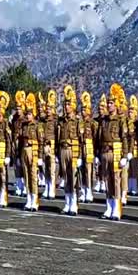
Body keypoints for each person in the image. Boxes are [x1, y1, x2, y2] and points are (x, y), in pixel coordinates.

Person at [96, 84, 129, 221]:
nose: (109, 105)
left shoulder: (121, 120)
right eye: (108, 103)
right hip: (104, 153)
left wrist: (125, 156)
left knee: (116, 180)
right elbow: (98, 138)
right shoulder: (103, 121)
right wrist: (98, 154)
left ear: (116, 105)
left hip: (115, 153)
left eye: (111, 103)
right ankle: (109, 207)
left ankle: (116, 207)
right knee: (106, 179)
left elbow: (124, 138)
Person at [57, 85, 83, 216]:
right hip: (63, 150)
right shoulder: (61, 121)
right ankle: (67, 202)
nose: (66, 107)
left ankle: (74, 203)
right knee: (65, 177)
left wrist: (80, 157)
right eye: (65, 104)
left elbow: (82, 140)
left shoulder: (78, 121)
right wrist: (57, 153)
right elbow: (57, 138)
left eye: (68, 104)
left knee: (73, 178)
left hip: (73, 151)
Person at [18, 93, 44, 211]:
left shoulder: (37, 126)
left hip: (33, 151)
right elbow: (20, 140)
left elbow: (41, 142)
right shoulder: (23, 125)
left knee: (33, 176)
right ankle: (29, 198)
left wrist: (40, 157)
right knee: (26, 175)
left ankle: (34, 200)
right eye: (26, 114)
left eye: (29, 114)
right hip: (24, 150)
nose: (27, 116)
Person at [40, 90, 58, 200]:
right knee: (45, 168)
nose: (48, 110)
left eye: (50, 108)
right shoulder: (43, 121)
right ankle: (46, 187)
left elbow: (58, 134)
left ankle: (52, 189)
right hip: (44, 146)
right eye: (47, 108)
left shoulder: (55, 121)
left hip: (52, 146)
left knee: (52, 169)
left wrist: (56, 151)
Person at [79, 92, 96, 203]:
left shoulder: (93, 123)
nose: (83, 111)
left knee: (89, 171)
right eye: (82, 109)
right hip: (81, 147)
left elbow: (96, 137)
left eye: (85, 109)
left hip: (90, 148)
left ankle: (89, 191)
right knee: (81, 171)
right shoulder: (79, 123)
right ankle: (83, 190)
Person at [10, 92, 26, 197]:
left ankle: (25, 187)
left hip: (23, 143)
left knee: (24, 165)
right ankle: (18, 186)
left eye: (20, 108)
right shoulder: (14, 118)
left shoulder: (25, 118)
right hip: (15, 143)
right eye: (17, 108)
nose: (18, 110)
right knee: (16, 166)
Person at [127, 96, 138, 198]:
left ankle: (135, 187)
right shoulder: (126, 123)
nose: (130, 113)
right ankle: (129, 186)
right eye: (129, 111)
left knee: (134, 169)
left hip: (136, 149)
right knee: (128, 169)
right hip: (127, 148)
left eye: (132, 111)